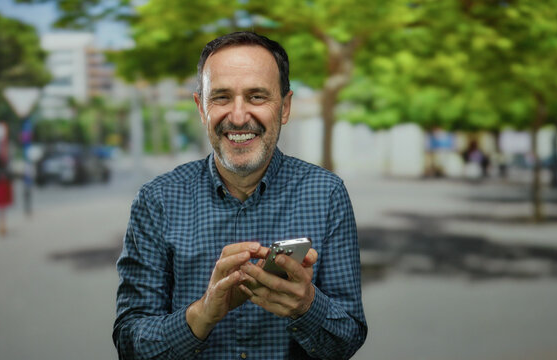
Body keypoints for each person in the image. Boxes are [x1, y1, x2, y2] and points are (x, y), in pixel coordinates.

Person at [113, 31, 367, 359]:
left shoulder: (326, 193)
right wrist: (202, 314)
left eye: (257, 96)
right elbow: (129, 343)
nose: (237, 116)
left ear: (285, 107)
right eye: (220, 97)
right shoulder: (157, 200)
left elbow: (349, 337)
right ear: (201, 108)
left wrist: (306, 306)